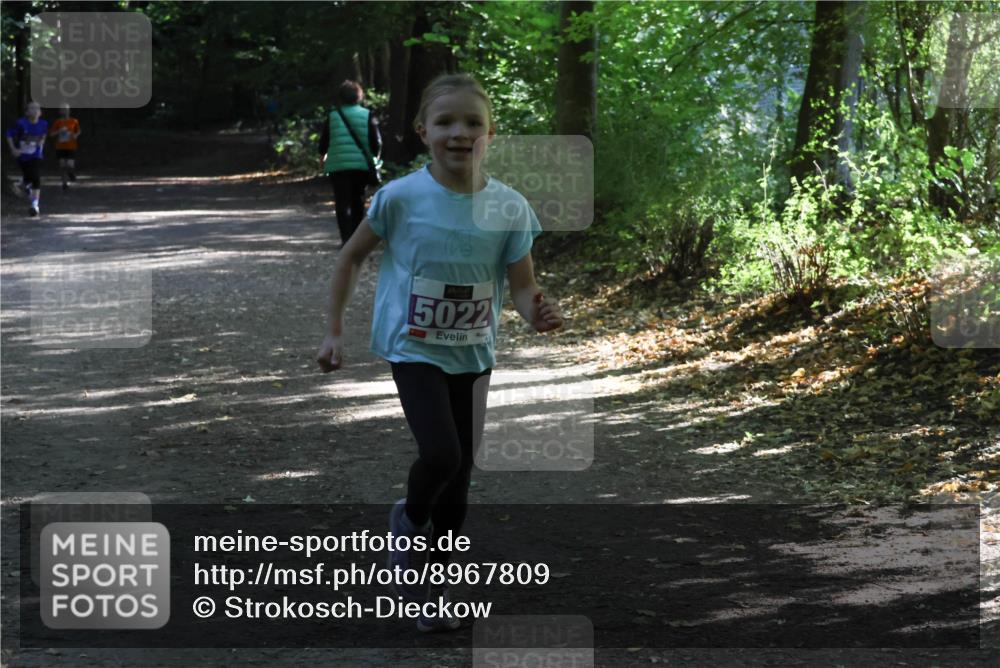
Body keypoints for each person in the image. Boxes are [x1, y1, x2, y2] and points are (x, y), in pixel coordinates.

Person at [315, 73, 563, 633]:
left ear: (490, 133)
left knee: (460, 486)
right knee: (443, 456)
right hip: (414, 346)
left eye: (473, 123)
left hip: (474, 353)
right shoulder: (400, 197)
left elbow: (521, 286)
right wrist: (334, 331)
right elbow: (351, 258)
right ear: (423, 130)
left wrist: (537, 313)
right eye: (446, 122)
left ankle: (434, 588)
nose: (460, 132)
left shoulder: (510, 208)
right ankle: (407, 523)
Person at [319, 80, 381, 244]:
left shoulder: (333, 116)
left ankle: (346, 240)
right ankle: (356, 238)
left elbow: (323, 142)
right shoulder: (367, 115)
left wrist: (323, 155)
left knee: (342, 201)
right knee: (358, 200)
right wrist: (375, 158)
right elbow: (377, 142)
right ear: (359, 97)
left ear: (341, 98)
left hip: (338, 165)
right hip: (360, 166)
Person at [5, 101, 48, 216]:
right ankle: (26, 188)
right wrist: (13, 148)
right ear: (27, 112)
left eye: (37, 109)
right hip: (22, 155)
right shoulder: (20, 123)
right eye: (32, 108)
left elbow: (44, 134)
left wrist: (42, 142)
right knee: (30, 179)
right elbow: (8, 134)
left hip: (36, 154)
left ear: (40, 113)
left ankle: (35, 205)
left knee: (36, 178)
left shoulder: (43, 124)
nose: (35, 111)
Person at [49, 103, 81, 191]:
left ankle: (71, 174)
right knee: (62, 165)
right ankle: (64, 183)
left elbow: (78, 131)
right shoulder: (58, 122)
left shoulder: (74, 121)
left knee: (70, 165)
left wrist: (75, 135)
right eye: (63, 109)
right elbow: (51, 134)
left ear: (69, 110)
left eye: (66, 109)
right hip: (60, 146)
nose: (65, 111)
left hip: (71, 146)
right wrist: (59, 131)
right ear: (60, 111)